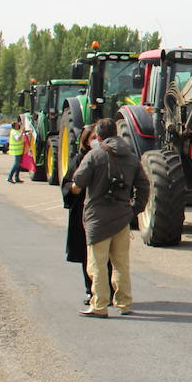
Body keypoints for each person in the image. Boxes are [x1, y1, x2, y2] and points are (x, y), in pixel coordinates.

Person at [70, 119, 149, 317]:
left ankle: (99, 305)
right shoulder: (131, 157)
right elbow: (144, 186)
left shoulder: (94, 155)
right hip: (122, 217)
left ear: (98, 136)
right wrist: (135, 208)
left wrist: (73, 189)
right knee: (121, 263)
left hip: (98, 218)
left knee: (97, 264)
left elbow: (78, 182)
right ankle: (124, 303)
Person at [62, 124, 112, 307]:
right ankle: (91, 290)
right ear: (86, 139)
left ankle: (109, 290)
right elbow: (69, 184)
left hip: (104, 212)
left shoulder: (111, 158)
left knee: (107, 256)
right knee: (87, 255)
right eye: (92, 138)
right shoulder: (79, 159)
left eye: (98, 138)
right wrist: (75, 189)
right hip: (82, 213)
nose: (96, 142)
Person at [6, 118, 26, 183]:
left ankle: (17, 177)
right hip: (16, 151)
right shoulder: (14, 132)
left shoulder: (17, 131)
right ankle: (9, 177)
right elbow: (18, 138)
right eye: (18, 124)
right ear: (15, 126)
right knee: (16, 164)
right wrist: (22, 132)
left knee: (19, 164)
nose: (19, 125)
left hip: (19, 150)